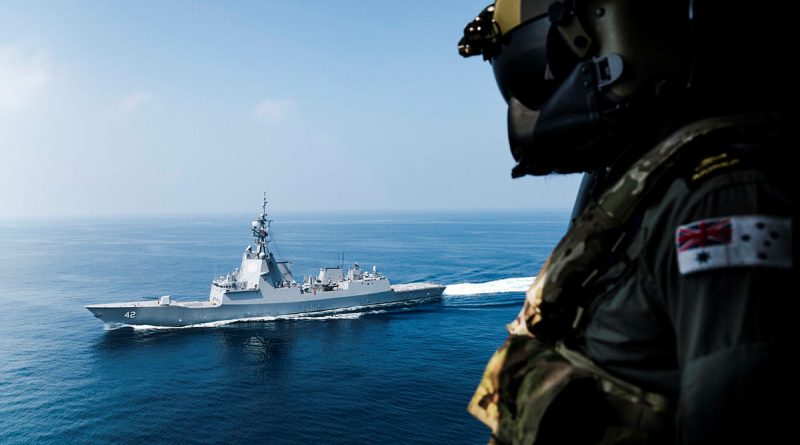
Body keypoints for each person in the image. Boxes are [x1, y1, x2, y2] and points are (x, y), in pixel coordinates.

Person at [457, 1, 793, 444]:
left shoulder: (720, 195)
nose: (527, 100)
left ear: (615, 39)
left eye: (534, 73)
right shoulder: (632, 183)